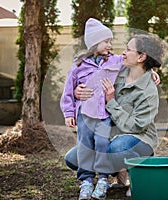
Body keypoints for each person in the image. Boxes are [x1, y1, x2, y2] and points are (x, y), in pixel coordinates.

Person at [60, 18, 160, 200]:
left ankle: (136, 175)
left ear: (141, 57)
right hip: (112, 132)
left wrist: (111, 101)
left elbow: (136, 126)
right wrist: (77, 92)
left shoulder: (148, 91)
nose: (122, 51)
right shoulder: (118, 69)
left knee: (114, 148)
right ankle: (112, 173)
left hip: (139, 137)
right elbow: (90, 77)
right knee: (74, 157)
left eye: (128, 49)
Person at [60, 18, 122, 200]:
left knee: (102, 144)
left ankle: (103, 179)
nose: (110, 45)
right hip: (84, 115)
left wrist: (152, 71)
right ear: (95, 43)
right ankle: (86, 181)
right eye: (107, 41)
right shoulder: (78, 66)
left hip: (104, 114)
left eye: (110, 41)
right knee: (85, 145)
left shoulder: (114, 61)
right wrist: (69, 113)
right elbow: (68, 92)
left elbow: (134, 64)